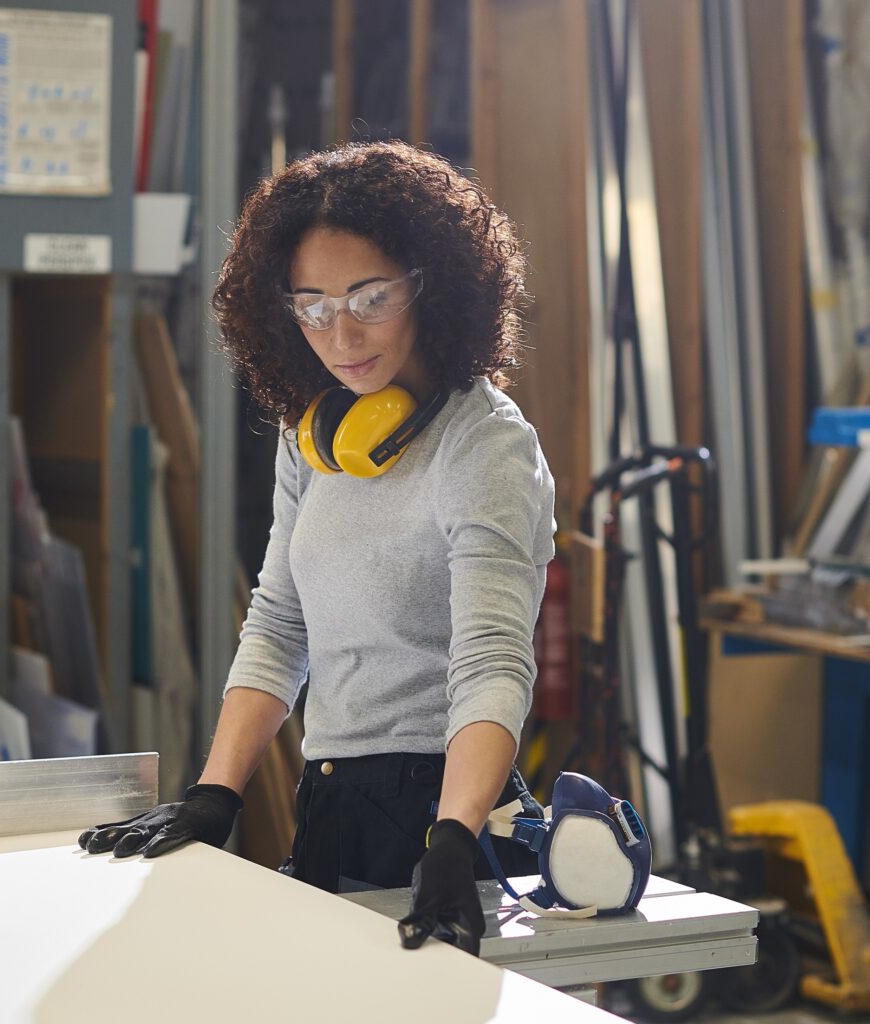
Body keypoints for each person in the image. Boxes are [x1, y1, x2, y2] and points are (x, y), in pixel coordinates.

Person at [79, 140, 556, 956]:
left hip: (449, 816)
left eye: (370, 297)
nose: (341, 334)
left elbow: (491, 659)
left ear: (432, 284)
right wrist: (215, 793)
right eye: (313, 305)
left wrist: (451, 838)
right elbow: (278, 624)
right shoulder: (317, 436)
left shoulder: (483, 448)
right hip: (331, 800)